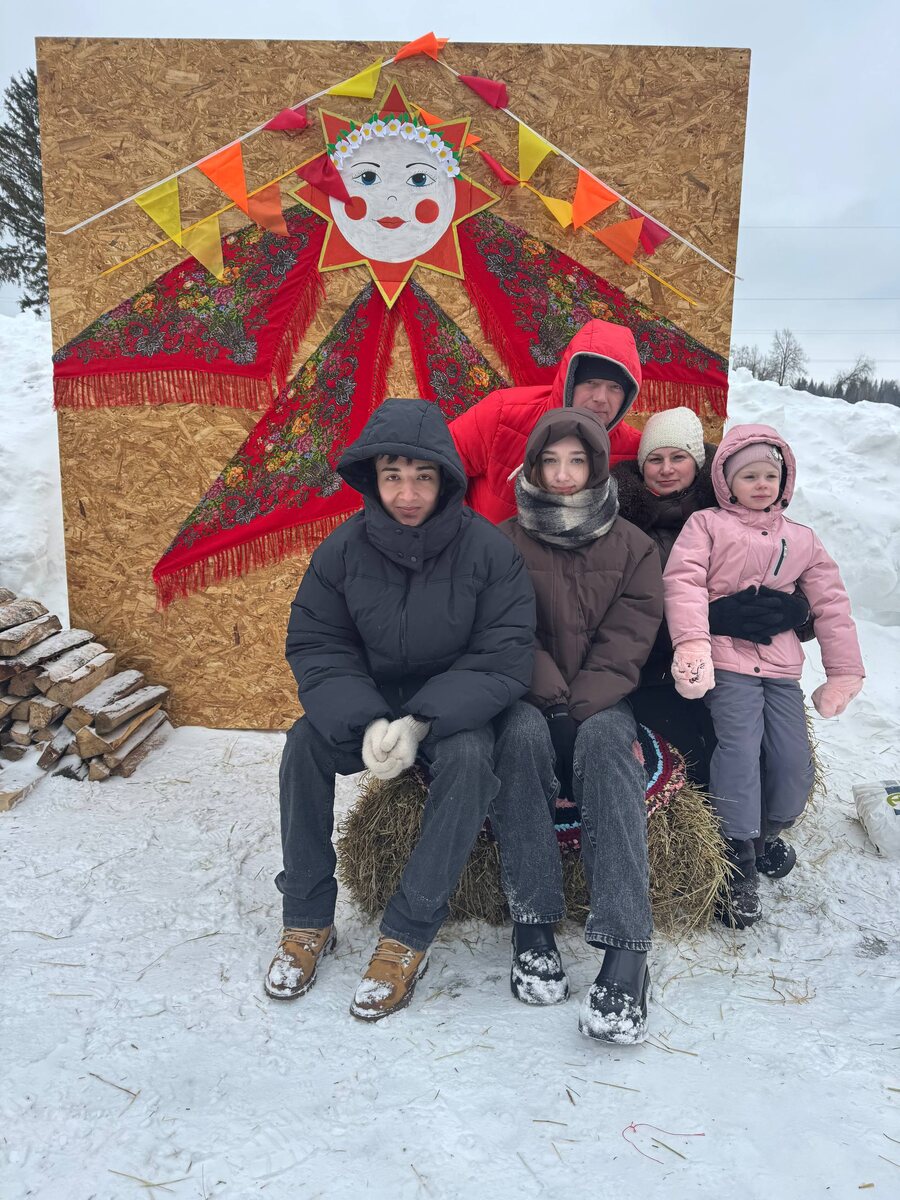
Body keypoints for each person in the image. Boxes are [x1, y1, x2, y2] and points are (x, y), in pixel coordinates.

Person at [265, 398, 536, 1021]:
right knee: (304, 744)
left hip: (450, 709)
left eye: (422, 476)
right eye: (392, 476)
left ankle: (408, 933)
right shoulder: (341, 551)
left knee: (470, 762)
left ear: (446, 479)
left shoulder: (490, 550)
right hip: (372, 703)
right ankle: (306, 916)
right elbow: (318, 643)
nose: (407, 494)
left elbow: (503, 655)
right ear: (373, 479)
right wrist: (365, 720)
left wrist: (421, 720)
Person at [490, 407, 664, 1044]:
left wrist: (581, 704)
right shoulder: (503, 541)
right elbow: (506, 629)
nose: (563, 474)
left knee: (610, 747)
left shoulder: (633, 546)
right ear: (533, 467)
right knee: (518, 739)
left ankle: (626, 949)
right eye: (551, 461)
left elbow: (628, 638)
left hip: (601, 698)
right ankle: (533, 923)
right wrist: (549, 698)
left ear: (596, 467)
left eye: (577, 461)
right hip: (526, 695)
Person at [663, 424, 864, 927]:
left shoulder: (802, 539)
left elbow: (832, 604)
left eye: (770, 476)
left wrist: (842, 670)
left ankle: (768, 830)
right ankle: (739, 859)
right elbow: (684, 582)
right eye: (748, 475)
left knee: (793, 759)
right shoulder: (707, 524)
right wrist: (694, 641)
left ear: (784, 481)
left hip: (780, 667)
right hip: (727, 662)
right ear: (726, 481)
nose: (760, 485)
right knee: (739, 750)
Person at [614, 407, 812, 791]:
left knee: (772, 757)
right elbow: (617, 619)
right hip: (654, 673)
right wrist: (708, 620)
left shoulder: (737, 509)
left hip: (737, 666)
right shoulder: (625, 526)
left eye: (678, 457)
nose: (667, 469)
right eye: (655, 459)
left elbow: (790, 568)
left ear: (698, 462)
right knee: (702, 761)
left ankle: (765, 823)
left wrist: (799, 611)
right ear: (641, 467)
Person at [450, 318, 642, 523]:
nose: (601, 398)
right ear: (570, 381)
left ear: (628, 395)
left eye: (615, 387)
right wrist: (465, 534)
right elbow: (441, 466)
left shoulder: (635, 450)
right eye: (590, 382)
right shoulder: (503, 414)